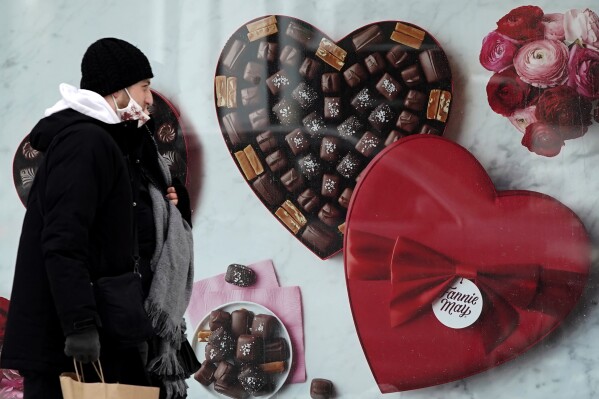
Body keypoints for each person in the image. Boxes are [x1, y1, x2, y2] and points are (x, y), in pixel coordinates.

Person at [0, 38, 196, 399]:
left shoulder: (112, 141)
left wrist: (175, 205)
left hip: (109, 326)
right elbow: (62, 239)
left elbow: (125, 227)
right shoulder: (84, 143)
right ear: (118, 90)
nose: (150, 99)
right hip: (72, 340)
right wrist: (81, 324)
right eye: (144, 87)